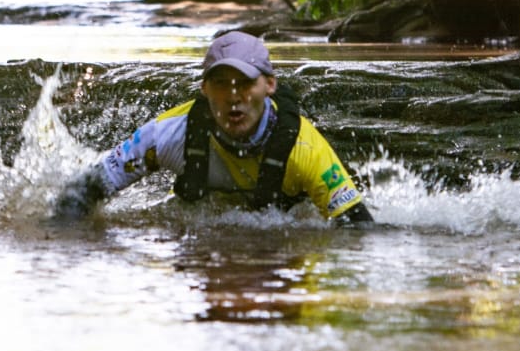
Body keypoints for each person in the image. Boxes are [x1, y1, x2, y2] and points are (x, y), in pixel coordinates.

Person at [53, 30, 374, 224]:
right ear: (204, 90)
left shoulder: (304, 149)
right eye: (221, 84)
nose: (234, 97)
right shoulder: (168, 134)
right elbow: (83, 192)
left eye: (245, 83)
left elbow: (358, 229)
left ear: (270, 85)